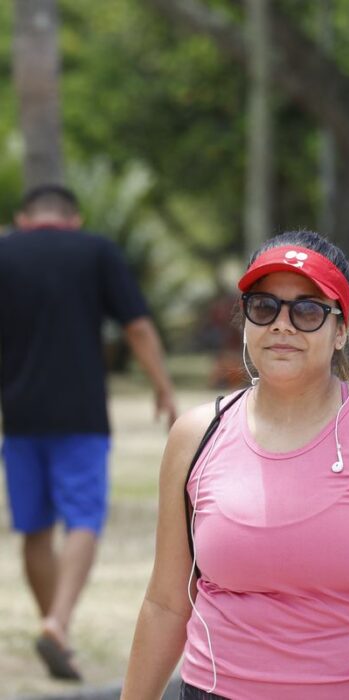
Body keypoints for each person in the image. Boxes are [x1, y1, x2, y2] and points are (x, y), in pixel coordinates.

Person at [121, 231, 349, 699]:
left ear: (341, 328)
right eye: (264, 307)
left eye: (307, 311)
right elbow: (165, 603)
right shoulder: (195, 436)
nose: (282, 325)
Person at [0, 184, 177, 681]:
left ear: (22, 217)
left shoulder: (5, 251)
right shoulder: (97, 250)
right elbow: (137, 327)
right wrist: (162, 386)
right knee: (82, 519)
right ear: (74, 219)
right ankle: (57, 622)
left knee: (34, 527)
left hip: (19, 416)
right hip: (81, 414)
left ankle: (57, 630)